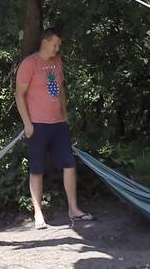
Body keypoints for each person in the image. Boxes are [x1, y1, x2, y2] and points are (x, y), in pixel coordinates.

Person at [15, 26, 93, 229]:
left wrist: (65, 115)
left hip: (58, 124)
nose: (57, 49)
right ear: (45, 42)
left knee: (69, 165)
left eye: (59, 45)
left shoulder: (57, 62)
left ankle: (73, 209)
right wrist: (27, 123)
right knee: (37, 169)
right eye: (55, 44)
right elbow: (19, 94)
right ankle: (38, 214)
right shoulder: (29, 64)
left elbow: (61, 89)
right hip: (37, 125)